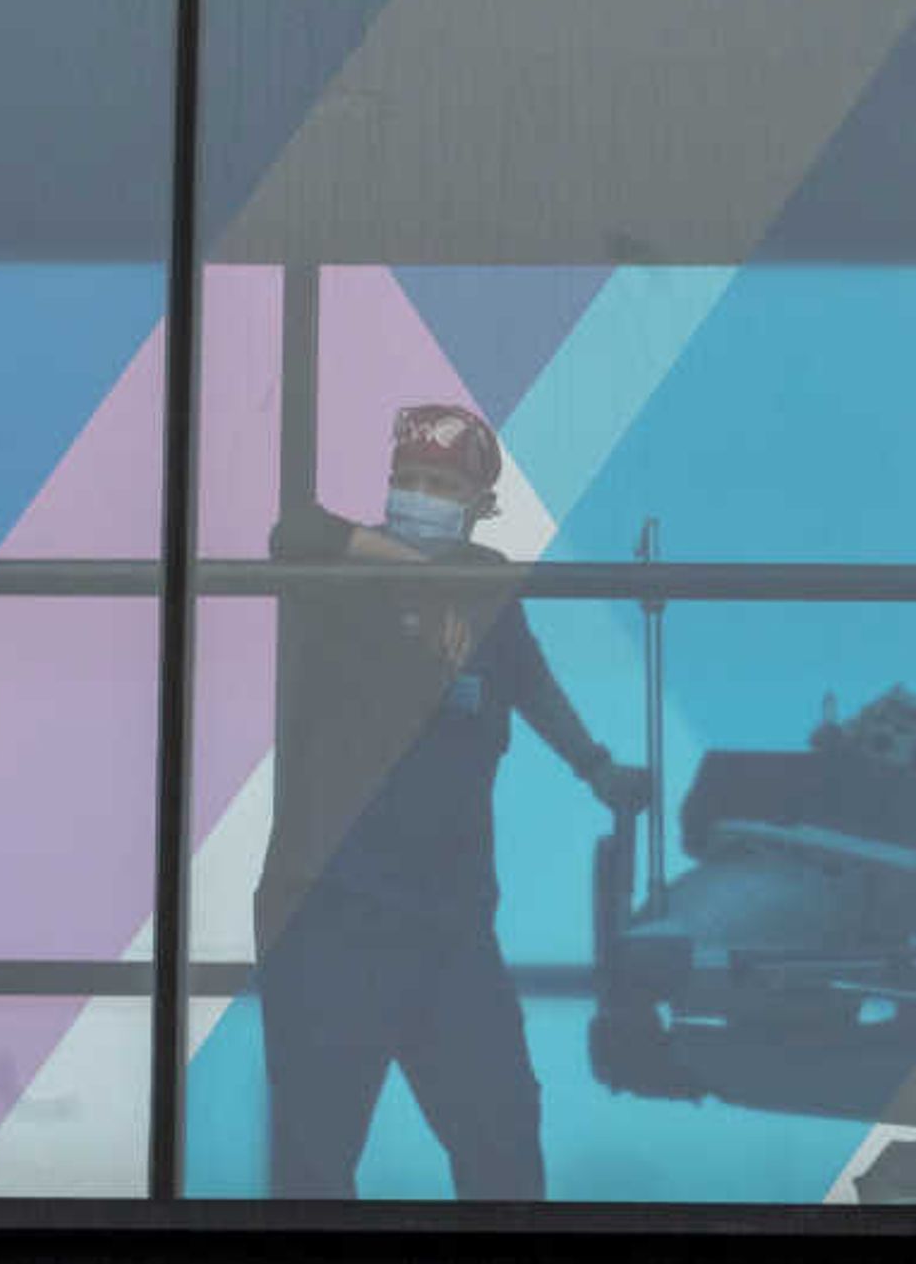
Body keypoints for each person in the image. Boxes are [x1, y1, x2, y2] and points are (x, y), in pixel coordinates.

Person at [253, 401, 652, 1199]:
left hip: (449, 925)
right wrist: (407, 564)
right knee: (314, 1163)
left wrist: (597, 767)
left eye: (440, 482)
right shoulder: (341, 573)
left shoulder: (491, 591)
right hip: (332, 915)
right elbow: (293, 531)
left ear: (477, 502)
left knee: (503, 1132)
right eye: (408, 479)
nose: (418, 494)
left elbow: (531, 684)